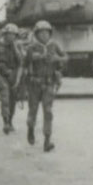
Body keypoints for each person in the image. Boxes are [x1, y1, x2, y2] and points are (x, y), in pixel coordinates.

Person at [22, 20, 67, 152]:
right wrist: (36, 57)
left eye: (46, 33)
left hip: (48, 83)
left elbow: (65, 57)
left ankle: (47, 140)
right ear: (36, 34)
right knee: (33, 110)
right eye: (41, 33)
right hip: (34, 83)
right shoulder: (31, 48)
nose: (44, 35)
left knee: (48, 112)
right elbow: (25, 62)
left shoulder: (54, 45)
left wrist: (57, 59)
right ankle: (30, 128)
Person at [0, 23, 23, 134]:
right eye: (9, 34)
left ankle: (10, 121)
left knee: (12, 100)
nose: (11, 37)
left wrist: (18, 78)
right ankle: (5, 122)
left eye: (14, 35)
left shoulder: (18, 47)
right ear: (5, 34)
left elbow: (20, 64)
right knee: (5, 99)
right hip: (2, 75)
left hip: (14, 75)